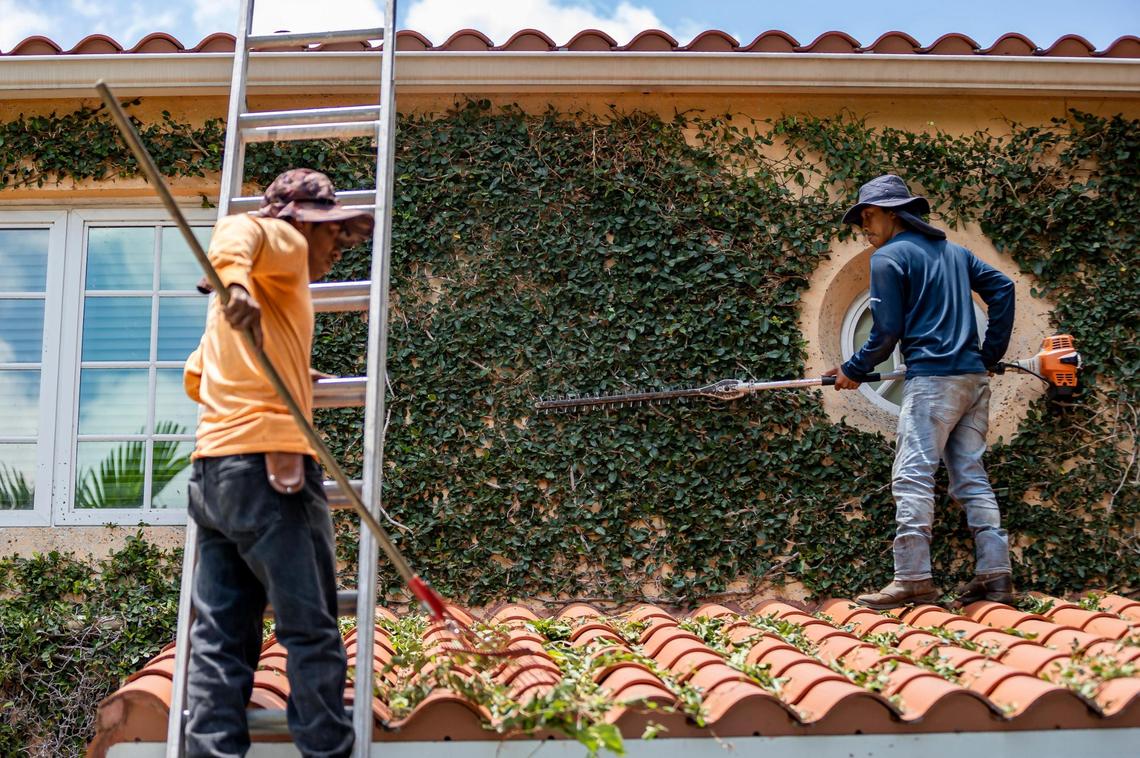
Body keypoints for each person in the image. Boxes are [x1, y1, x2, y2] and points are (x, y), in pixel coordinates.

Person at [182, 168, 373, 757]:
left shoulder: (240, 318)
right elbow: (240, 235)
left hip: (214, 474)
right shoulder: (282, 241)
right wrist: (235, 286)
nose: (335, 249)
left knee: (220, 640)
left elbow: (197, 377)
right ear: (303, 225)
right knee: (310, 632)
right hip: (271, 471)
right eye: (332, 236)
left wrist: (292, 371)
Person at [824, 174, 1016, 610]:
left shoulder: (888, 257)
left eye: (867, 215)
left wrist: (853, 369)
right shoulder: (954, 253)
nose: (863, 227)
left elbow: (887, 331)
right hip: (972, 381)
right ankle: (996, 576)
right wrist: (987, 356)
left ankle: (913, 580)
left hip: (932, 383)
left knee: (911, 476)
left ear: (893, 213)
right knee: (970, 476)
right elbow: (1002, 288)